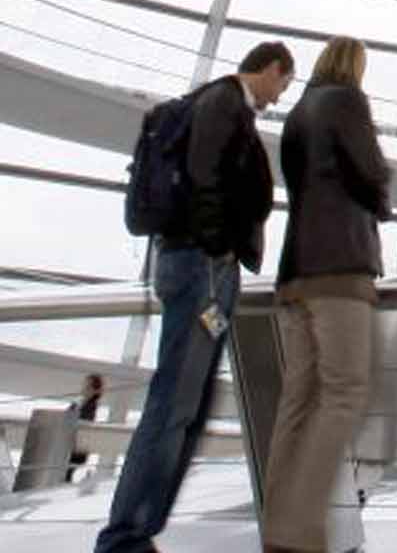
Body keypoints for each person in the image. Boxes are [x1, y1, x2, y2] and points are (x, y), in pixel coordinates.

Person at [95, 41, 294, 553]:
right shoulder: (225, 102)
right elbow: (206, 175)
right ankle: (125, 537)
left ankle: (138, 530)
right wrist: (217, 246)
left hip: (192, 263)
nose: (278, 97)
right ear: (272, 69)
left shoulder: (210, 102)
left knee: (189, 402)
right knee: (175, 404)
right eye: (283, 85)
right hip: (202, 266)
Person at [262, 35, 389, 553]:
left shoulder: (297, 114)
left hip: (295, 269)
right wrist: (382, 194)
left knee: (298, 401)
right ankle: (303, 529)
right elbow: (371, 172)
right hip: (339, 267)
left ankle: (277, 527)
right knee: (344, 393)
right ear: (354, 67)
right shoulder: (347, 100)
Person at [68, 372, 104, 482]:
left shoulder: (91, 406)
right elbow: (66, 417)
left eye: (87, 386)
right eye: (84, 385)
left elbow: (83, 422)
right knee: (65, 475)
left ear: (94, 390)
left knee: (66, 474)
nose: (84, 388)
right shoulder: (79, 403)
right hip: (70, 446)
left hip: (76, 449)